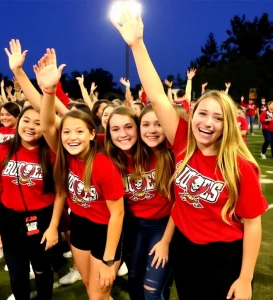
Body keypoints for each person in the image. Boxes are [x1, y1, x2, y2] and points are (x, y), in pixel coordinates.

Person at [111, 9, 268, 300]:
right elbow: (157, 96)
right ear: (192, 115)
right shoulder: (182, 140)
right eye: (203, 114)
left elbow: (253, 223)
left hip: (223, 253)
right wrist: (137, 45)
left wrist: (246, 278)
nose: (208, 123)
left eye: (218, 118)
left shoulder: (241, 165)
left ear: (228, 125)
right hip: (184, 246)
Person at [37, 48, 125, 300]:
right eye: (66, 132)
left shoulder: (101, 163)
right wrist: (49, 91)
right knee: (90, 287)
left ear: (90, 133)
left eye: (78, 132)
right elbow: (46, 125)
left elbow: (117, 213)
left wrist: (109, 258)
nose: (71, 137)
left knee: (99, 295)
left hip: (105, 229)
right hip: (80, 225)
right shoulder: (65, 155)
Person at [0, 105, 60, 300]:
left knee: (42, 269)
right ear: (19, 122)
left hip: (42, 219)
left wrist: (53, 226)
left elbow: (60, 193)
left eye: (38, 123)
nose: (31, 126)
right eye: (26, 120)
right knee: (17, 274)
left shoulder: (51, 152)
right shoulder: (3, 149)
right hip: (10, 220)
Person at [105, 105, 175, 300]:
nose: (123, 134)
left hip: (163, 227)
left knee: (152, 291)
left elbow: (180, 203)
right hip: (131, 227)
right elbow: (62, 127)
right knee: (135, 281)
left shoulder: (164, 153)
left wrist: (166, 240)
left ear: (137, 128)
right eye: (115, 129)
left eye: (129, 127)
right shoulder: (110, 155)